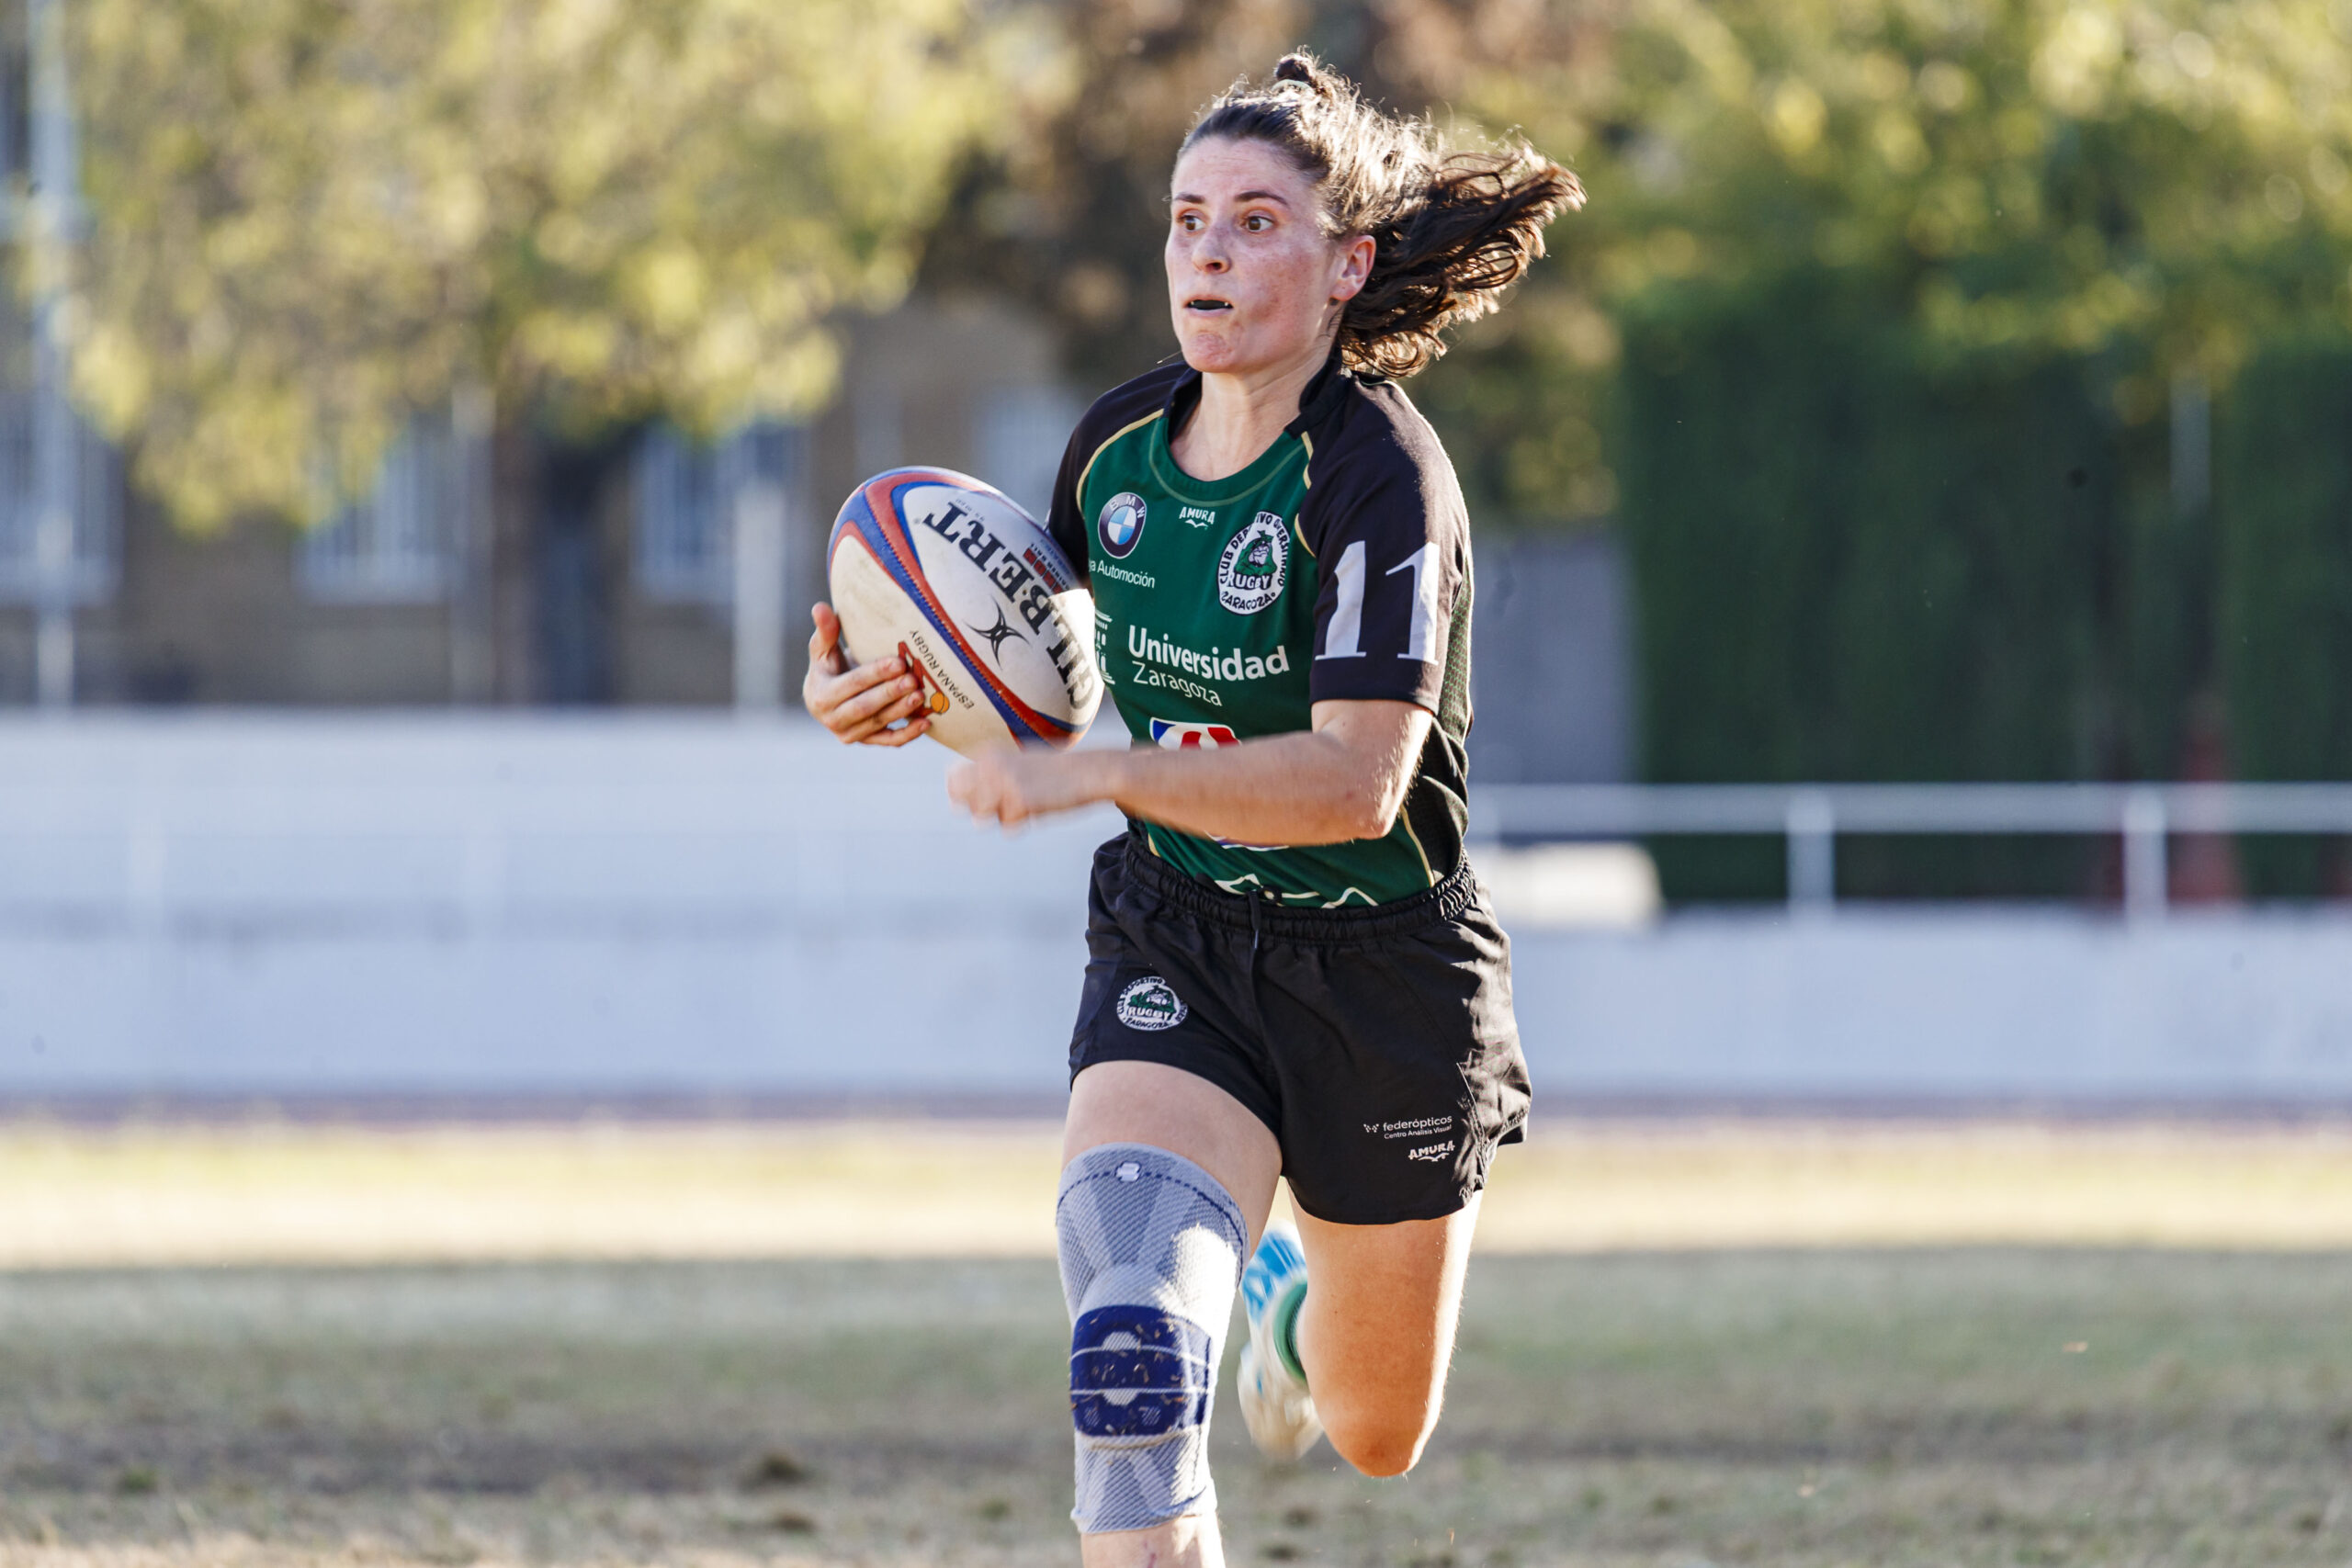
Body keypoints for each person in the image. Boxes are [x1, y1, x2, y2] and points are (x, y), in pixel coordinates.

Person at [804, 51, 1581, 1568]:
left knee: (1374, 1433)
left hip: (1385, 977)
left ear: (1347, 263)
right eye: (1186, 222)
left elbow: (1356, 783)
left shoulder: (1380, 480)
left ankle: (1288, 1307)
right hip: (1181, 941)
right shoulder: (1113, 450)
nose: (1208, 255)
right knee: (1133, 1357)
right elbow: (1016, 659)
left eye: (1254, 223)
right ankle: (1209, 1311)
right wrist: (871, 686)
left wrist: (1085, 774)